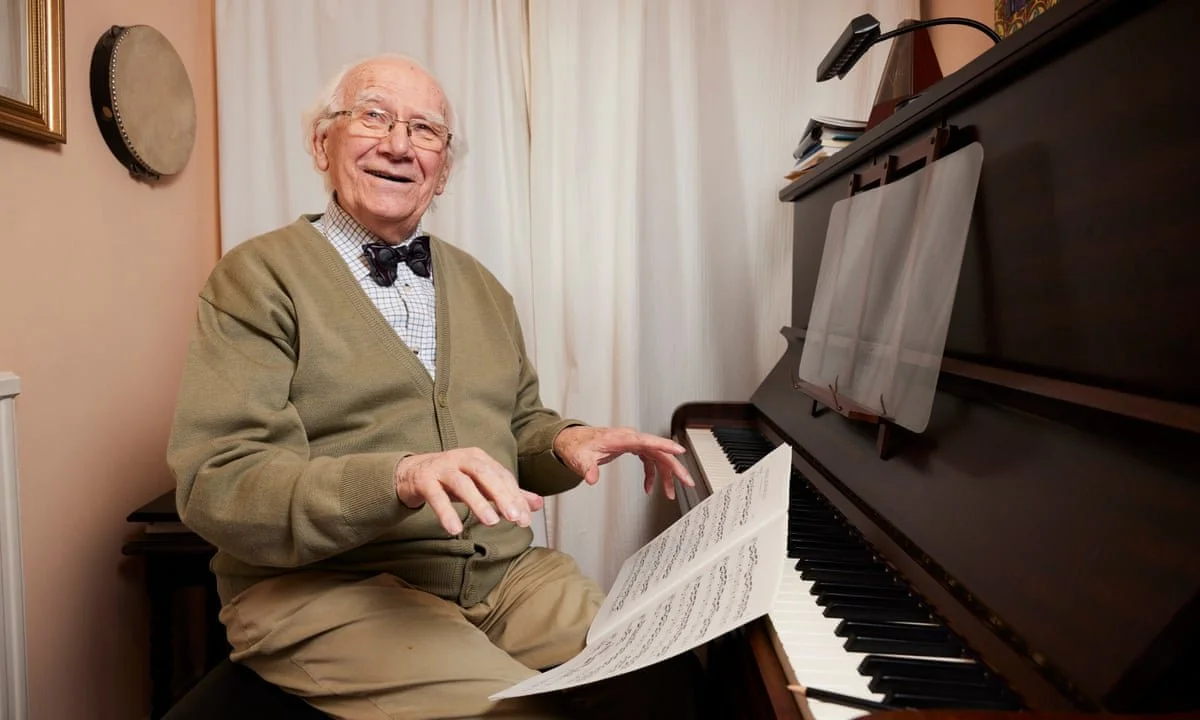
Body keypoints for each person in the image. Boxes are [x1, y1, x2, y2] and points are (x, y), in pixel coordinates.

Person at [166, 54, 703, 720]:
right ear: (320, 143)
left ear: (443, 169)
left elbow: (515, 427)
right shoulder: (255, 278)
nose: (398, 143)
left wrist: (566, 441)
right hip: (324, 589)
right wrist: (400, 476)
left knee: (659, 664)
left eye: (425, 130)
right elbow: (220, 480)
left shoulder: (482, 287)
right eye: (372, 116)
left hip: (501, 577)